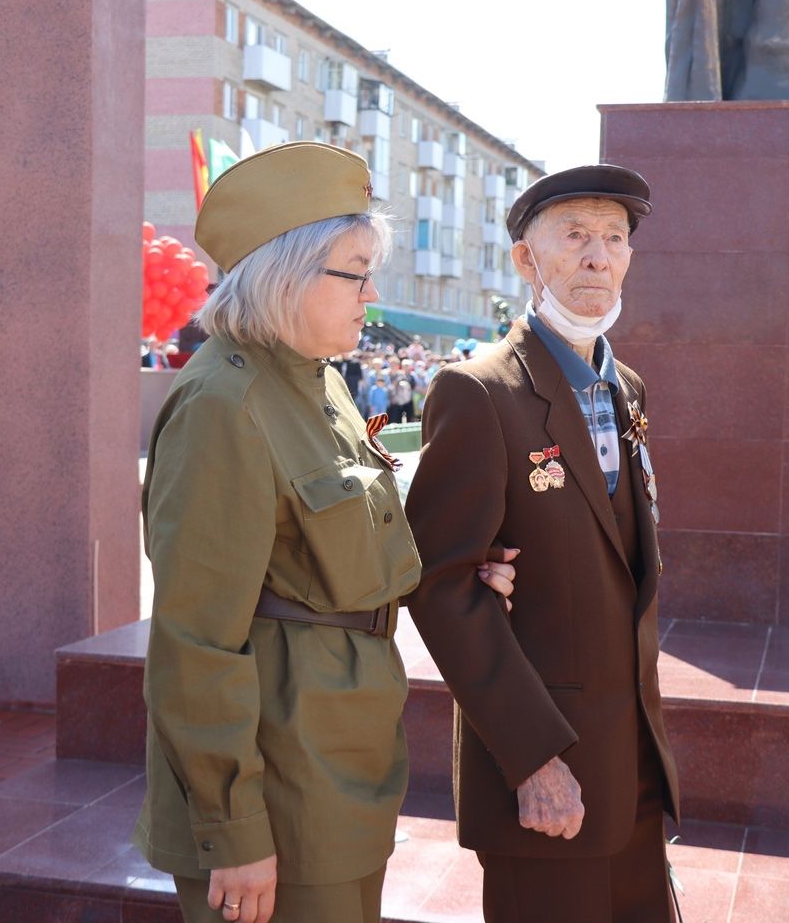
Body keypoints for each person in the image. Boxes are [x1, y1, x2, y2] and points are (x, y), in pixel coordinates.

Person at [135, 141, 517, 923]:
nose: (372, 293)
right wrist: (234, 830)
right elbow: (195, 643)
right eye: (355, 269)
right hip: (278, 785)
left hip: (340, 762)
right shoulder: (223, 405)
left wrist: (457, 566)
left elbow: (336, 549)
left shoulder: (319, 382)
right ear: (287, 272)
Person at [403, 165, 680, 923]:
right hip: (547, 777)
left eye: (615, 238)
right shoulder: (478, 392)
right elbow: (445, 585)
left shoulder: (627, 386)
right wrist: (531, 757)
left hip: (633, 768)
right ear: (527, 259)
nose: (598, 256)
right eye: (576, 235)